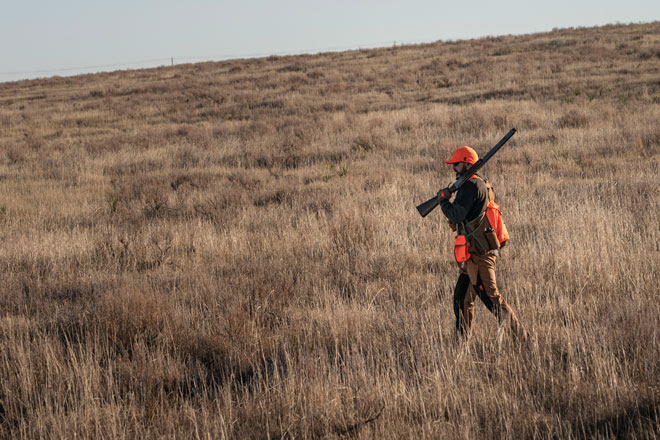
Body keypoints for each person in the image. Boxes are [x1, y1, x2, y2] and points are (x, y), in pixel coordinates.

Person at [438, 145, 528, 342]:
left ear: (467, 164)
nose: (453, 168)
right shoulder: (478, 184)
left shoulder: (471, 186)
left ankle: (524, 340)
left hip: (479, 254)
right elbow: (464, 218)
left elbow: (457, 214)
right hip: (473, 254)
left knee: (492, 298)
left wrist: (443, 201)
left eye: (456, 164)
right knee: (461, 299)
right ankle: (461, 344)